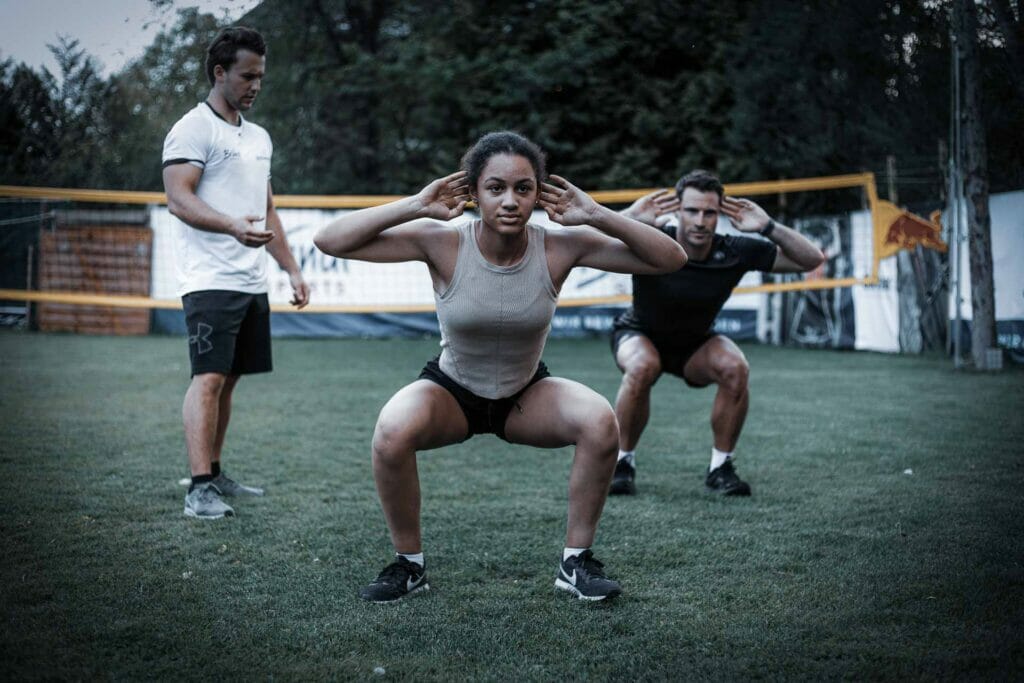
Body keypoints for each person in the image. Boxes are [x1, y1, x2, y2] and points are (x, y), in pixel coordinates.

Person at [314, 131, 686, 602]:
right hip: (452, 391)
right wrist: (416, 204)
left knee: (599, 421)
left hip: (524, 395)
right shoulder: (443, 242)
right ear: (474, 193)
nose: (510, 201)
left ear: (539, 194)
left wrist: (594, 214)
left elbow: (672, 259)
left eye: (523, 188)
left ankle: (575, 562)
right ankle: (409, 565)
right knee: (391, 429)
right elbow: (329, 241)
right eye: (495, 188)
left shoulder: (560, 247)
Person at [162, 26, 310, 520]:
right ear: (220, 72)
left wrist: (291, 269)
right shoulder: (192, 128)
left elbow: (266, 210)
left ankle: (216, 470)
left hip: (251, 281)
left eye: (261, 77)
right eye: (247, 75)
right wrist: (230, 227)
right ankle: (198, 488)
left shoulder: (259, 137)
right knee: (207, 378)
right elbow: (179, 198)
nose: (255, 85)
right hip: (209, 280)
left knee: (229, 380)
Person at [609, 169, 824, 496]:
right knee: (642, 367)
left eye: (709, 212)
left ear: (719, 214)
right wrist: (628, 219)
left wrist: (768, 227)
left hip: (694, 344)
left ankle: (720, 467)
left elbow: (811, 260)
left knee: (735, 368)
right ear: (677, 210)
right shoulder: (652, 239)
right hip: (640, 334)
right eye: (691, 210)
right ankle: (622, 464)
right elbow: (589, 243)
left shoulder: (735, 250)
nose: (699, 220)